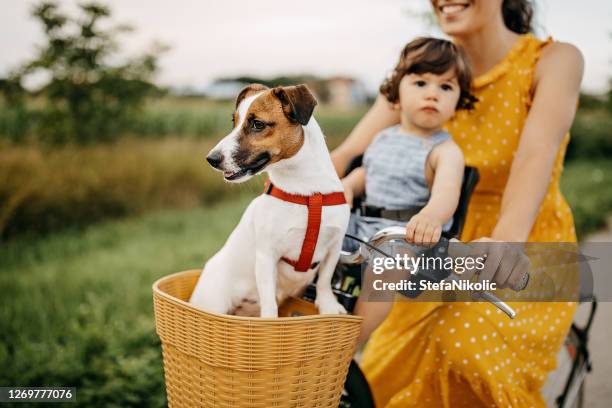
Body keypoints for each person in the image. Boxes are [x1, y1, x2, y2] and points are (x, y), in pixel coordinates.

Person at [331, 0, 584, 406]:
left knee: (462, 350)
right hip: (428, 249)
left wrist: (506, 240)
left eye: (445, 89)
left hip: (524, 240)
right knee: (375, 384)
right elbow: (348, 154)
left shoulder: (554, 60)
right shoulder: (427, 64)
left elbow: (536, 151)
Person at [341, 37, 475, 251]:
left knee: (389, 264)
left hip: (406, 235)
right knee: (311, 234)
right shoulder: (383, 137)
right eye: (421, 83)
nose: (432, 94)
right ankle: (293, 283)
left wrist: (431, 216)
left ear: (458, 103)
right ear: (396, 95)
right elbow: (368, 174)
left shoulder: (445, 151)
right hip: (360, 224)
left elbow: (447, 192)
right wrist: (348, 185)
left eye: (446, 87)